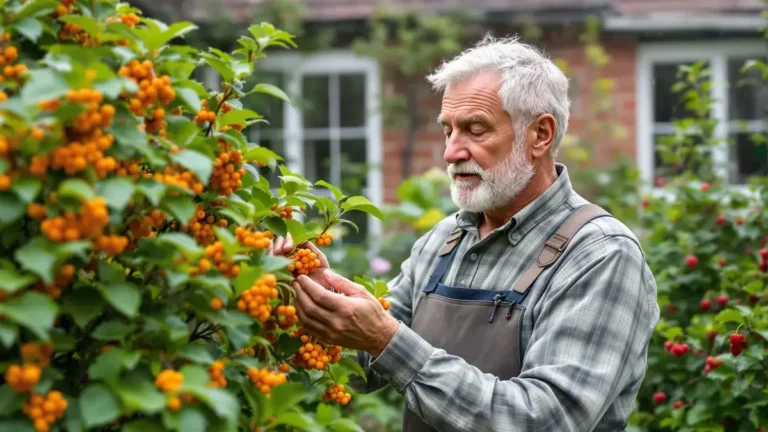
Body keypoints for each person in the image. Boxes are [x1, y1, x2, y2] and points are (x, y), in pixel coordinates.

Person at [270, 35, 659, 432]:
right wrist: (315, 297)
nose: (451, 153)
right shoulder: (444, 241)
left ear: (539, 135)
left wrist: (387, 339)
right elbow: (364, 365)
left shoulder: (599, 255)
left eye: (475, 130)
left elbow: (545, 420)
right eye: (448, 130)